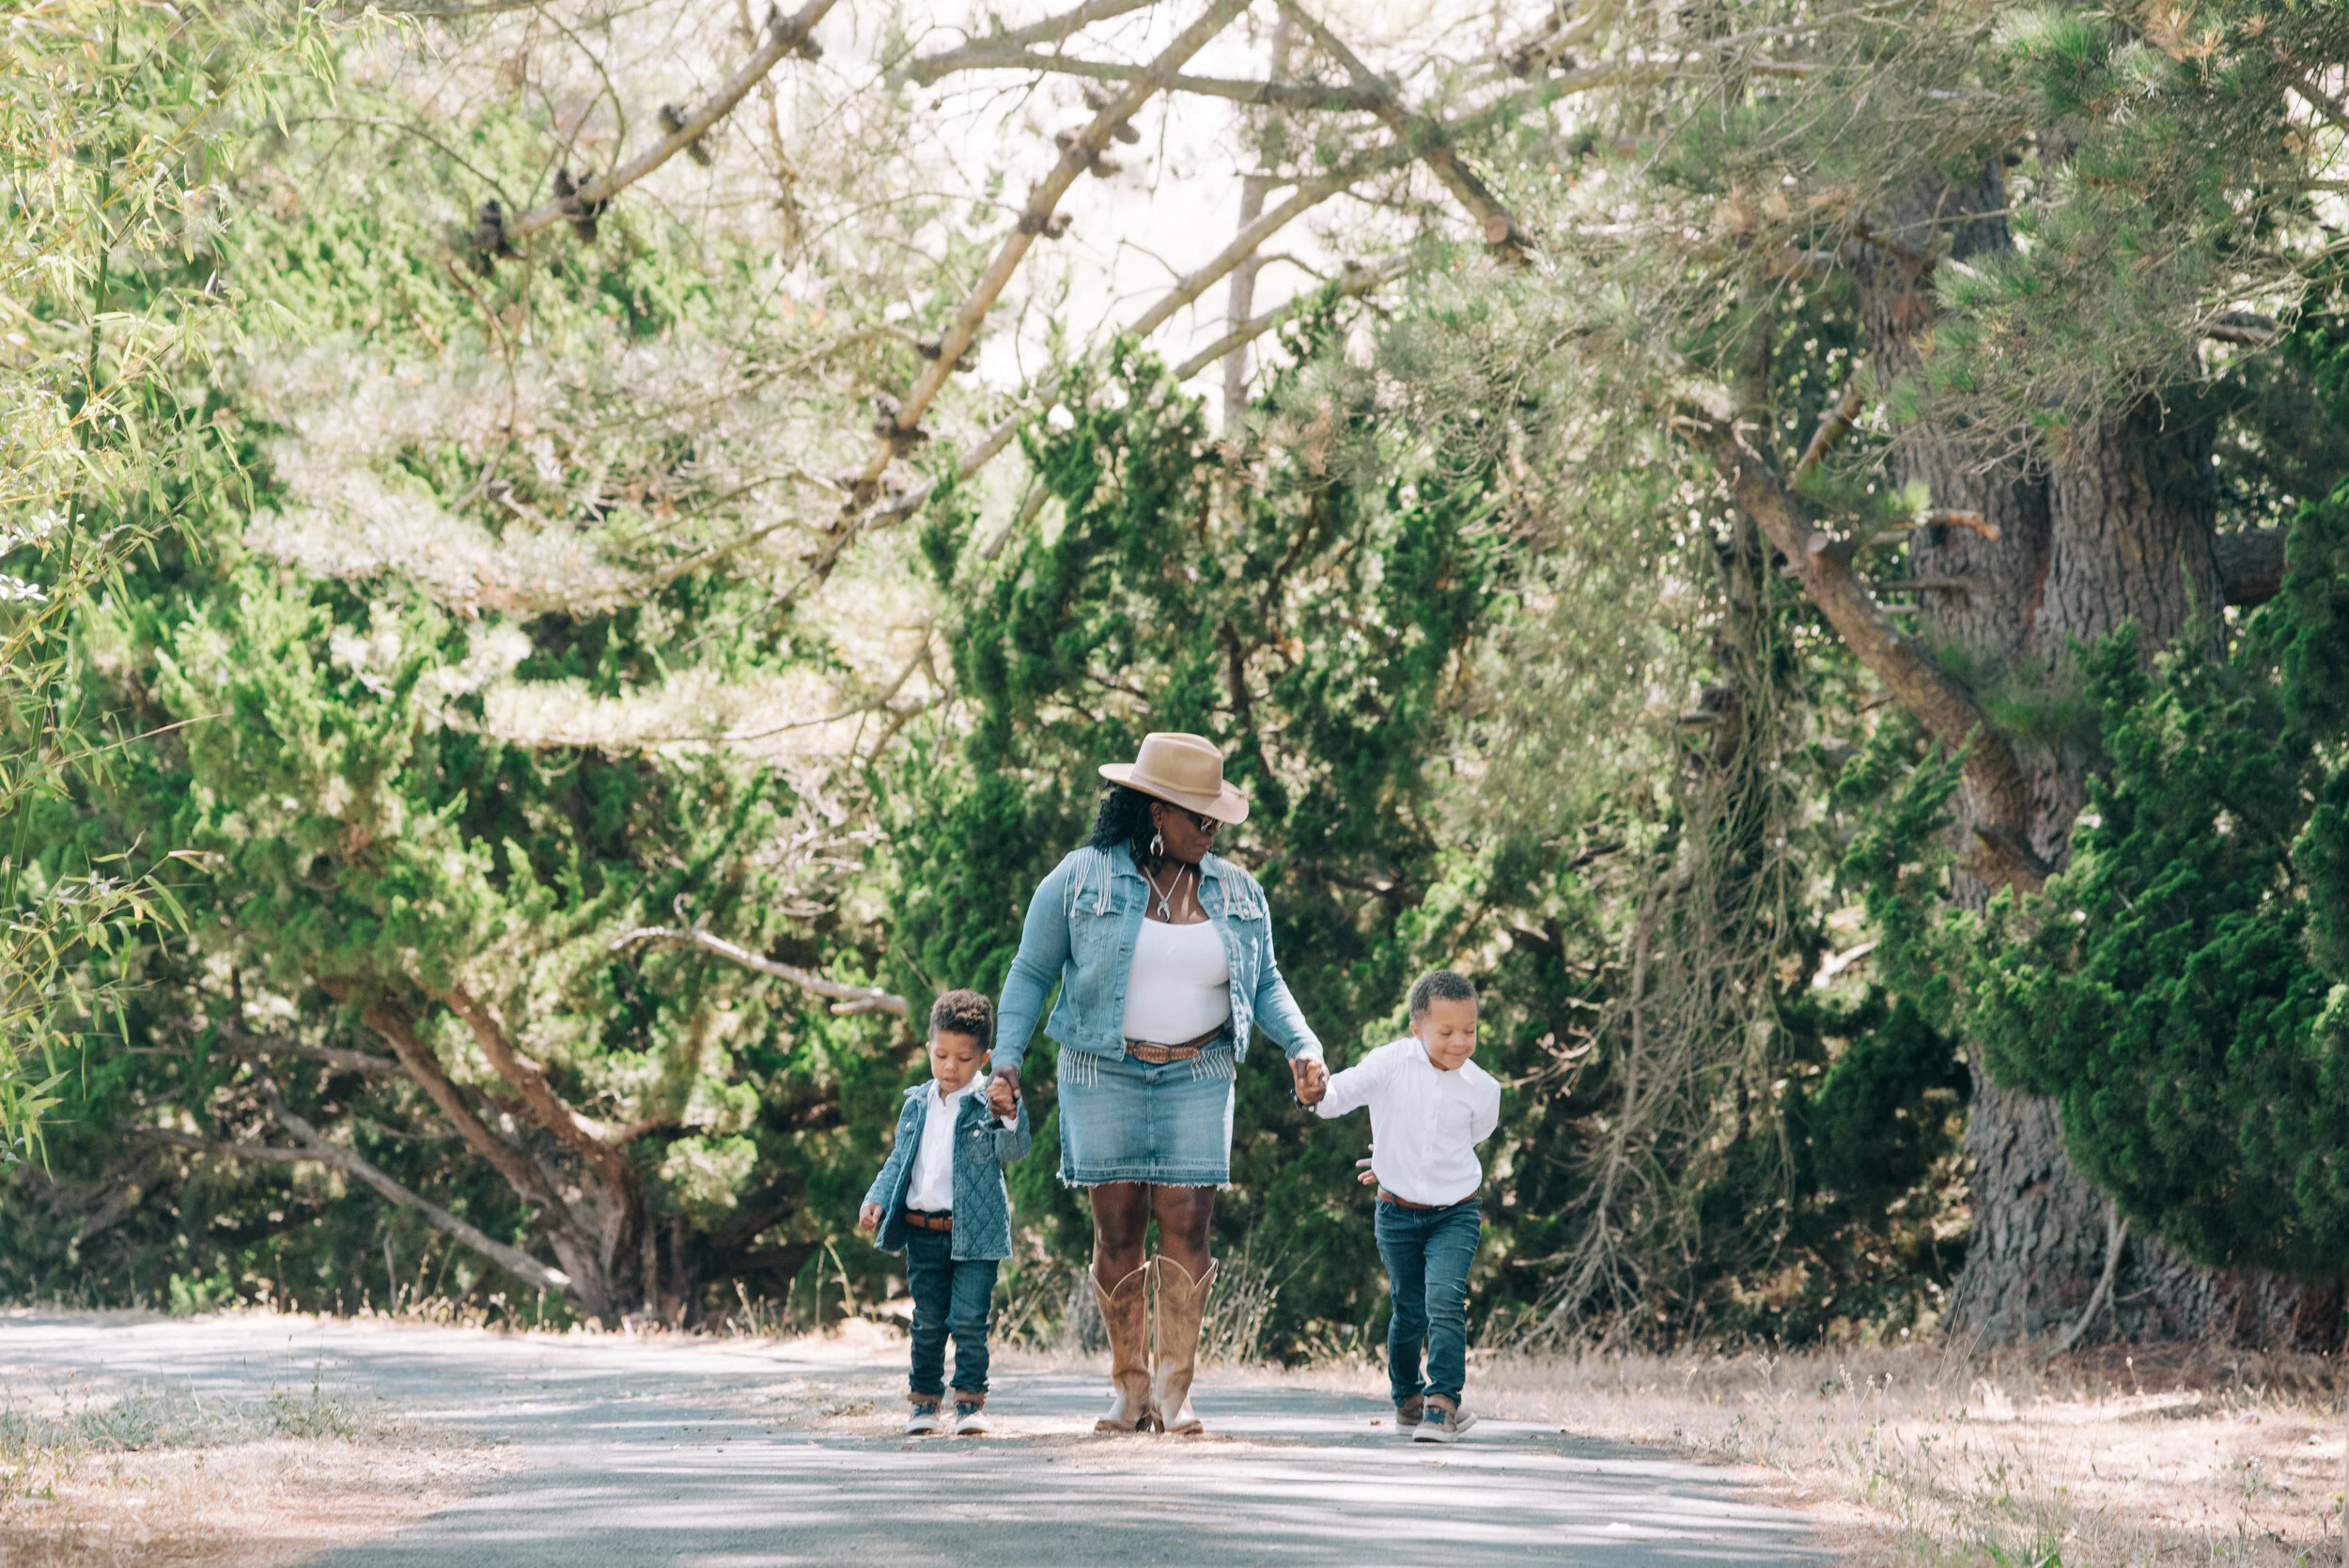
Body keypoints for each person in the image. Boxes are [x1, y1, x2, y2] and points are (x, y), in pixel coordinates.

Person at [990, 731, 1328, 1435]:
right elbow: (1030, 971)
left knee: (1189, 1219)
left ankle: (1176, 1392)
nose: (1210, 831)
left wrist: (1302, 1043)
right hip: (1102, 1068)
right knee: (1118, 1228)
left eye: (1216, 820)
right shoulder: (1081, 877)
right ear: (1153, 811)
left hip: (1198, 1073)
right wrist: (1006, 1058)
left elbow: (1264, 982)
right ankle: (1129, 1389)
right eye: (1197, 818)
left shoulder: (1238, 892)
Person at [1314, 969, 1500, 1444]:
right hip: (1396, 1213)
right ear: (1417, 1027)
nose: (1460, 1042)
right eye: (1446, 1032)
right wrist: (1314, 1092)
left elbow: (1465, 1140)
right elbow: (1339, 1096)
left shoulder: (1484, 1089)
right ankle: (1408, 1399)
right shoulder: (1390, 1063)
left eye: (1470, 1030)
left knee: (1444, 1297)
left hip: (1455, 1210)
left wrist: (1409, 1160)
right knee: (1409, 1308)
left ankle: (1443, 1404)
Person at [860, 989, 1032, 1436]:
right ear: (928, 1047)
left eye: (962, 1058)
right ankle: (924, 1404)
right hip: (923, 1231)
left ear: (984, 1058)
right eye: (941, 1055)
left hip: (976, 1234)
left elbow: (1015, 1150)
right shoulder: (916, 1103)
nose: (950, 1067)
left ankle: (970, 1404)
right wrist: (876, 1197)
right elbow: (899, 1160)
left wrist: (1010, 1112)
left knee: (970, 1320)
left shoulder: (987, 1104)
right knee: (928, 1321)